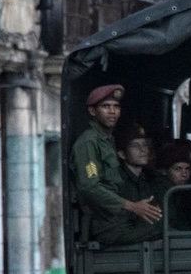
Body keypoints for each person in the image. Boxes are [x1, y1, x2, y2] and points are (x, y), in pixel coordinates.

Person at [69, 84, 162, 240]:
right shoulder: (89, 143)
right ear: (93, 111)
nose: (112, 111)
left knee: (161, 225)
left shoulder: (107, 140)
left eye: (116, 107)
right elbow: (90, 186)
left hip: (118, 220)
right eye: (105, 106)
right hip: (106, 226)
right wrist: (133, 207)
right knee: (161, 233)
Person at [94, 122, 167, 247]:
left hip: (133, 230)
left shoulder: (147, 178)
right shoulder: (115, 179)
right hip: (114, 233)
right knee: (163, 228)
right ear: (122, 154)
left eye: (144, 145)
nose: (143, 150)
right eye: (135, 146)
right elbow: (116, 220)